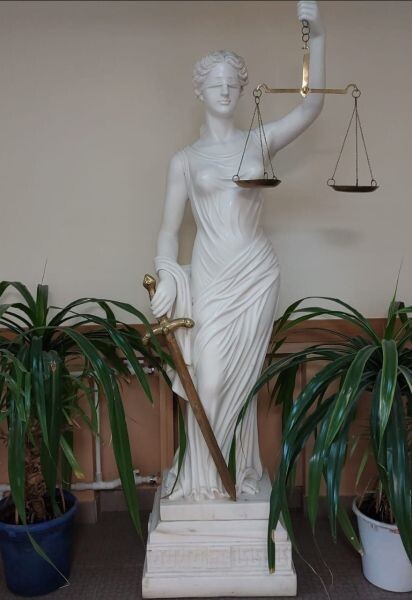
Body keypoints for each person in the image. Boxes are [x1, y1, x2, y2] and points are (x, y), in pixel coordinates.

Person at [150, 0, 325, 501]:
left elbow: (311, 107)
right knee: (210, 378)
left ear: (242, 90)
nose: (225, 91)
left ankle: (235, 473)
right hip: (211, 271)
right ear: (200, 91)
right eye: (216, 84)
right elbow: (169, 229)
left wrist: (317, 37)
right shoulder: (185, 160)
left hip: (255, 271)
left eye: (232, 84)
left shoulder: (260, 141)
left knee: (242, 382)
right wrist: (166, 272)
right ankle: (200, 476)